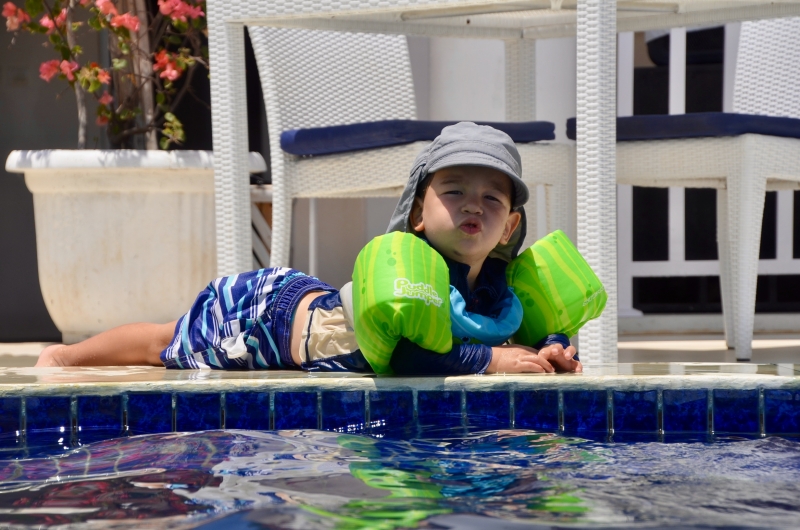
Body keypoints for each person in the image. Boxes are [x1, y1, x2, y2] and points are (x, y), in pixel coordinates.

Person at [37, 122, 582, 375]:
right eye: (455, 191)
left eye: (491, 199)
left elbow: (518, 328)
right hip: (269, 317)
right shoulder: (412, 272)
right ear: (418, 213)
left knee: (167, 340)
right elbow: (407, 356)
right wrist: (492, 361)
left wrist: (554, 346)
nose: (472, 207)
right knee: (165, 342)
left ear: (509, 228)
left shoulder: (495, 287)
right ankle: (64, 355)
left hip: (308, 304)